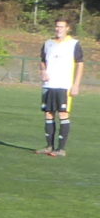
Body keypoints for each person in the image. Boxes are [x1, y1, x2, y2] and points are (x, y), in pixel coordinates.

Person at [37, 18, 84, 157]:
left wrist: (76, 84)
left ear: (68, 28)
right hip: (49, 85)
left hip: (64, 85)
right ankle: (49, 147)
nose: (58, 29)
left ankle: (61, 149)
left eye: (62, 27)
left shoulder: (74, 44)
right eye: (57, 26)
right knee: (48, 113)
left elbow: (80, 64)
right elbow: (42, 61)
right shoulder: (48, 43)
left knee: (63, 114)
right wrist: (43, 71)